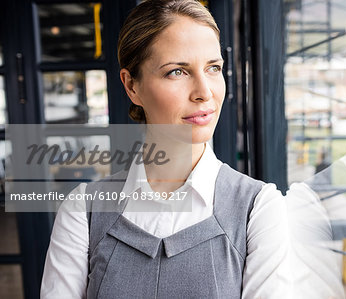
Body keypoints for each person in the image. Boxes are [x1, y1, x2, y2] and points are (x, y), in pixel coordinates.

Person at [40, 0, 292, 298]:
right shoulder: (83, 210)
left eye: (213, 68)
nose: (204, 92)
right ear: (132, 86)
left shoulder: (258, 208)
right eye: (177, 72)